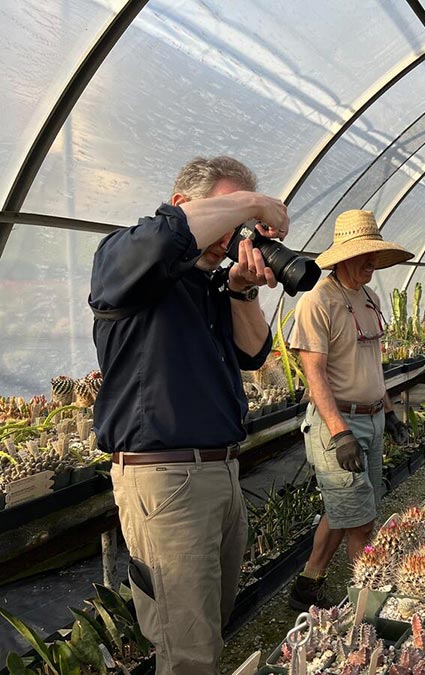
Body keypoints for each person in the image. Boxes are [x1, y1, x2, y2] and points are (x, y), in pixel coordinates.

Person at [89, 156, 290, 675]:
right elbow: (164, 240)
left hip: (221, 473)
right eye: (222, 215)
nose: (230, 235)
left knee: (208, 626)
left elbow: (255, 352)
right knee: (188, 652)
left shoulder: (209, 285)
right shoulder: (127, 257)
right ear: (182, 205)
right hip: (166, 478)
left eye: (237, 226)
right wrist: (253, 203)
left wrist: (242, 288)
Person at [287, 209, 413, 609]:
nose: (372, 263)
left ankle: (307, 585)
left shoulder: (370, 298)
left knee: (347, 509)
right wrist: (341, 434)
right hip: (337, 425)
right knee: (361, 520)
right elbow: (315, 375)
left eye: (375, 254)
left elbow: (374, 364)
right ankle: (369, 606)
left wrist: (389, 413)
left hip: (372, 418)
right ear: (342, 256)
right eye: (364, 255)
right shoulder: (317, 302)